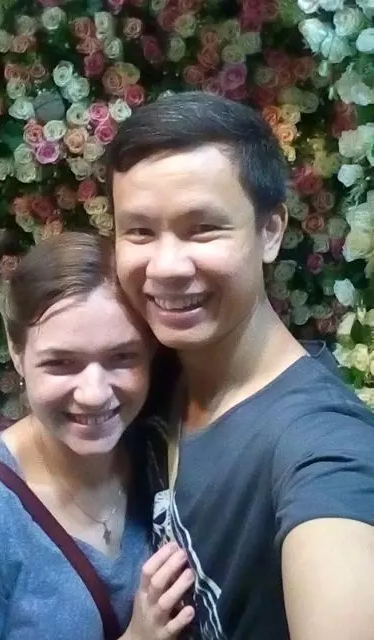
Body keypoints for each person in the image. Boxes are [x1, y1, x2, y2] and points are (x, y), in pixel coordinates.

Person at [109, 92, 374, 640]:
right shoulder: (147, 382)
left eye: (203, 228)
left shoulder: (322, 444)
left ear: (270, 231)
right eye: (139, 232)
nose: (166, 266)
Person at [0, 232, 195, 640]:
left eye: (122, 357)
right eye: (61, 363)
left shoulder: (158, 453)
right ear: (16, 352)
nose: (94, 394)